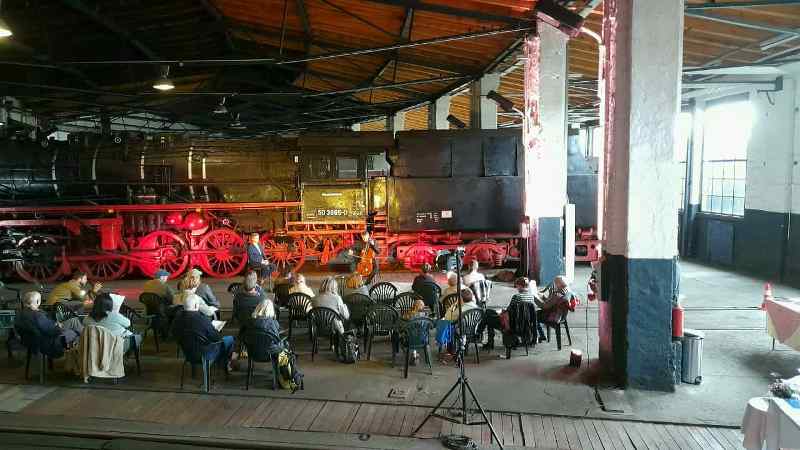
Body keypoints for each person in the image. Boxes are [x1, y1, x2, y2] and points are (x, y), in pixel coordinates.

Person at [171, 295, 234, 371]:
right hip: (205, 354)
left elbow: (174, 335)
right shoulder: (203, 319)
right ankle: (226, 364)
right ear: (195, 305)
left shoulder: (176, 320)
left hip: (188, 353)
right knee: (230, 339)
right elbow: (216, 338)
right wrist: (215, 329)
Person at [15, 291, 83, 358]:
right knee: (75, 331)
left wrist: (54, 323)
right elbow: (52, 331)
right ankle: (80, 352)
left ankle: (74, 352)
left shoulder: (20, 314)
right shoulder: (37, 315)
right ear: (37, 301)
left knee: (73, 322)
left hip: (31, 342)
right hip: (48, 342)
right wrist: (58, 326)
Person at [480, 277, 538, 349]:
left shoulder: (516, 297)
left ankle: (484, 338)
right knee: (489, 315)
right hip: (525, 325)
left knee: (488, 317)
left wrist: (501, 312)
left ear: (520, 286)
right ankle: (483, 337)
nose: (516, 287)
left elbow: (509, 310)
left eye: (517, 286)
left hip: (512, 325)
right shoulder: (531, 297)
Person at [534, 276, 573, 342]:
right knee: (536, 313)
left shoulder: (557, 294)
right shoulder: (566, 291)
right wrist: (543, 297)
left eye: (555, 283)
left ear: (559, 284)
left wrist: (535, 298)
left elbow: (544, 306)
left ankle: (539, 336)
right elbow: (551, 302)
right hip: (561, 315)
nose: (554, 285)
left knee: (533, 315)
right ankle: (541, 335)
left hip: (554, 316)